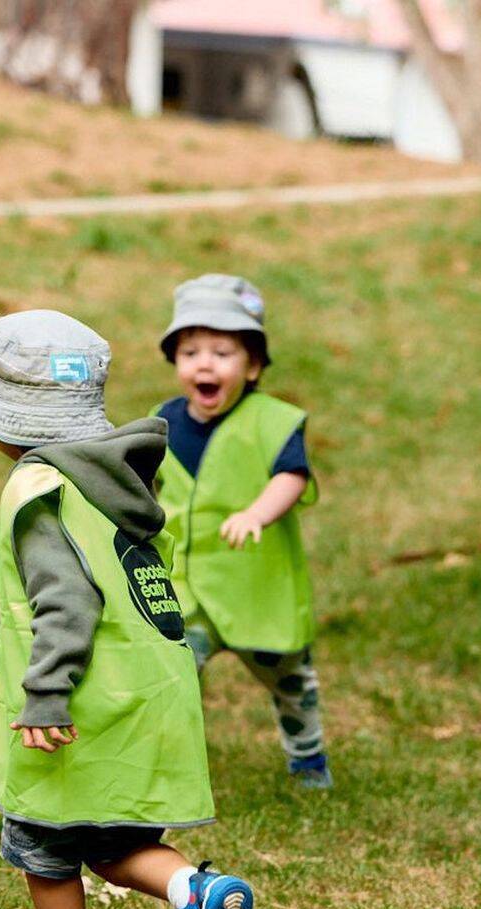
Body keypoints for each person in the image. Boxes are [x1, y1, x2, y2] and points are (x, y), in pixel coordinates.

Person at [0, 309, 255, 909]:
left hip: (79, 707)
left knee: (40, 841)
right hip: (140, 692)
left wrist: (43, 697)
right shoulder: (109, 481)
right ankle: (194, 894)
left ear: (3, 423)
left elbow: (67, 606)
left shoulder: (38, 489)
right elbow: (90, 608)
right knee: (112, 844)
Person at [151, 275, 331, 788]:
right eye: (190, 351)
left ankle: (308, 756)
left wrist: (257, 514)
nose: (204, 363)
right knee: (175, 671)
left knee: (291, 680)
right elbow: (147, 479)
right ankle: (173, 766)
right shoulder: (162, 421)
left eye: (223, 352)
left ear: (252, 366)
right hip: (186, 587)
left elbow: (292, 476)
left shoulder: (273, 422)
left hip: (256, 588)